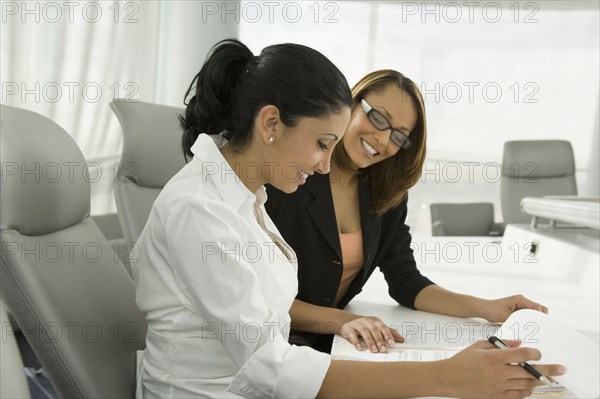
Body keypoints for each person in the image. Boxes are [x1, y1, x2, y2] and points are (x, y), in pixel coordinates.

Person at [133, 41, 564, 399]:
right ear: (271, 123)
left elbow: (265, 316)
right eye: (322, 143)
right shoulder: (200, 209)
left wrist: (470, 333)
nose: (323, 164)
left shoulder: (248, 196)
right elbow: (266, 366)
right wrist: (445, 375)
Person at [265, 69, 550, 354]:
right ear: (351, 104)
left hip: (330, 344)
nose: (382, 138)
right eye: (378, 118)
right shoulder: (292, 176)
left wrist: (486, 307)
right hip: (268, 340)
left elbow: (405, 281)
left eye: (399, 136)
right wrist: (342, 320)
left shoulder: (385, 194)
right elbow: (262, 292)